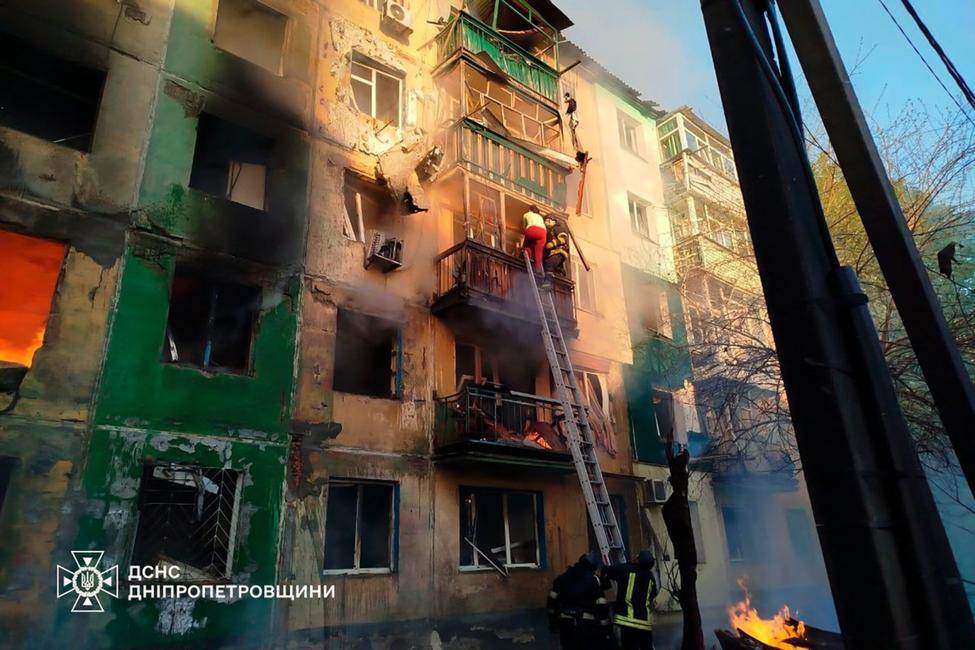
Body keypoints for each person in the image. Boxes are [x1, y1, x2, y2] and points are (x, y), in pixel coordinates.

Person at [547, 552, 615, 649]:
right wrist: (606, 627)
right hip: (585, 625)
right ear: (592, 566)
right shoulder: (594, 580)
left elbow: (552, 601)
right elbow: (601, 604)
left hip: (566, 624)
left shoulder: (562, 578)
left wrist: (553, 623)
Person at [603, 551, 658, 650]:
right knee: (646, 646)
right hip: (644, 623)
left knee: (630, 646)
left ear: (638, 560)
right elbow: (653, 594)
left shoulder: (626, 569)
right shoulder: (651, 578)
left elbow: (609, 571)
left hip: (628, 622)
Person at [523, 205, 547, 272]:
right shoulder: (540, 217)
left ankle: (529, 259)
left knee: (527, 246)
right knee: (539, 251)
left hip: (532, 229)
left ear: (530, 210)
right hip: (543, 232)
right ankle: (538, 268)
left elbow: (524, 227)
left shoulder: (526, 214)